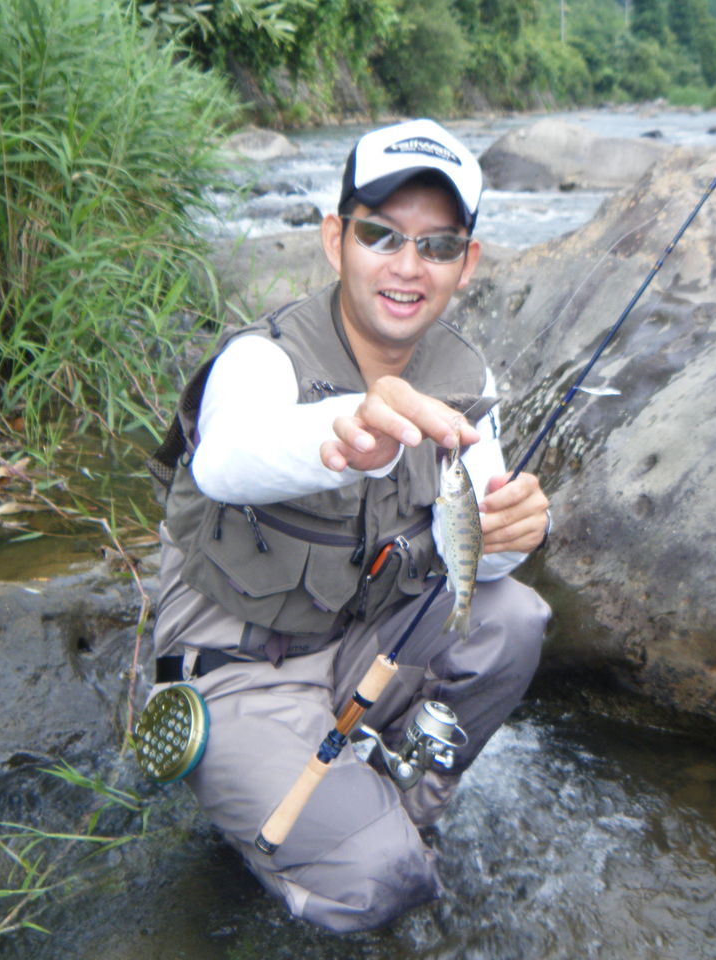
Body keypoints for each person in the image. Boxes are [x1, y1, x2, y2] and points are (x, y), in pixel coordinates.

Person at [146, 118, 551, 933]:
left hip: (362, 644)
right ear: (335, 240)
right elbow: (227, 455)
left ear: (466, 265)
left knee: (513, 618)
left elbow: (464, 554)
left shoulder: (467, 380)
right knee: (381, 886)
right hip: (240, 668)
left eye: (438, 246)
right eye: (381, 236)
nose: (408, 267)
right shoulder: (261, 360)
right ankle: (333, 840)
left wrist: (510, 538)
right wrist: (340, 435)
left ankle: (400, 806)